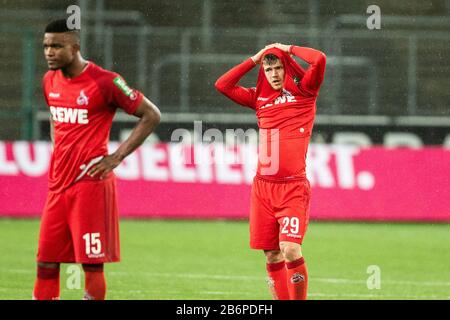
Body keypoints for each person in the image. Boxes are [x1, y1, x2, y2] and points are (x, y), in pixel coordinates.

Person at [33, 19, 161, 300]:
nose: (49, 52)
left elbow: (151, 114)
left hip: (90, 185)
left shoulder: (105, 81)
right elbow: (57, 120)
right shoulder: (49, 81)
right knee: (45, 262)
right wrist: (61, 150)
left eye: (57, 46)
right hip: (58, 186)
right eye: (45, 46)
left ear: (75, 47)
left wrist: (116, 157)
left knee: (91, 264)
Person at [215, 43, 326, 300]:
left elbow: (319, 59)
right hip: (263, 188)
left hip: (292, 187)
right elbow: (222, 85)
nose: (274, 74)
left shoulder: (305, 91)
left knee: (290, 249)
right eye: (269, 69)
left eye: (278, 67)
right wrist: (254, 59)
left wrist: (287, 48)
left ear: (286, 67)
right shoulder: (259, 99)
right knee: (272, 254)